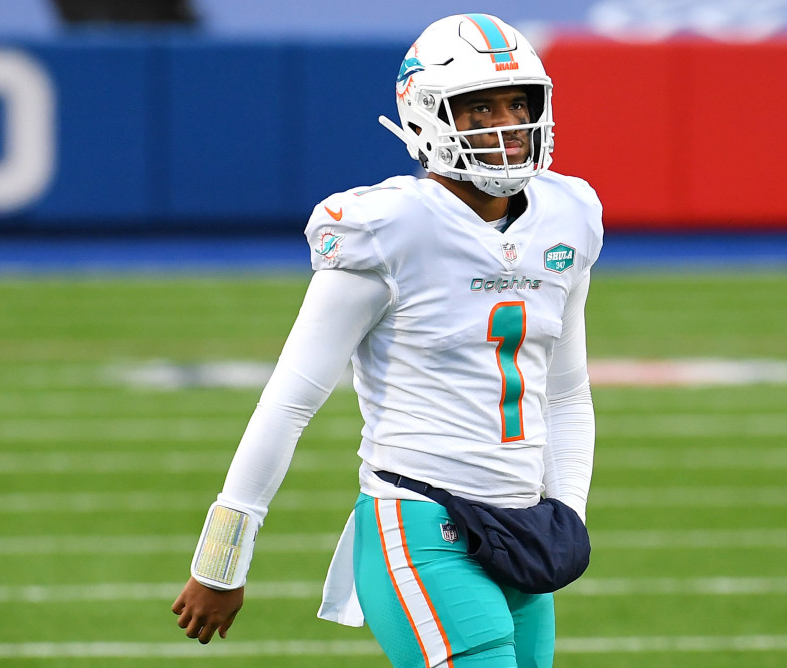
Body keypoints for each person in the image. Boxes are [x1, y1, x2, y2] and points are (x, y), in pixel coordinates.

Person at [171, 12, 602, 667]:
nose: (508, 125)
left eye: (519, 103)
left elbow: (566, 392)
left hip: (522, 526)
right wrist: (223, 553)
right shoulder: (386, 226)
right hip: (422, 519)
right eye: (479, 108)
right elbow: (291, 399)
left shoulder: (568, 213)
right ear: (429, 118)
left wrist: (566, 510)